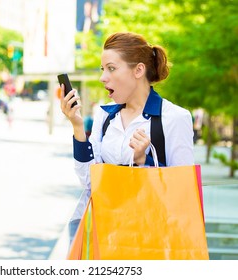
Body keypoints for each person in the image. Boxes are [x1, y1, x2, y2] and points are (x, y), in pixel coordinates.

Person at [60, 32, 194, 244]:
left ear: (138, 70)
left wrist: (144, 162)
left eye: (111, 68)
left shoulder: (174, 118)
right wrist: (77, 126)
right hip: (104, 234)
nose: (103, 77)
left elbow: (183, 194)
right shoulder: (105, 116)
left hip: (150, 239)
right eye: (102, 69)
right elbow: (89, 181)